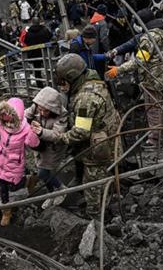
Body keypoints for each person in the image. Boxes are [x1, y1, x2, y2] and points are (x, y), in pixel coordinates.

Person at [55, 54, 120, 218]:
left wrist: (60, 138)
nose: (62, 86)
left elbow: (81, 132)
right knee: (104, 175)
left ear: (71, 77)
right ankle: (106, 200)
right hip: (109, 137)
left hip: (98, 147)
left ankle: (95, 216)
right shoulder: (93, 80)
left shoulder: (85, 98)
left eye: (63, 81)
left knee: (93, 182)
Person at [106, 9, 163, 148]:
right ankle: (162, 132)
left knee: (152, 109)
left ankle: (154, 140)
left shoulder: (149, 38)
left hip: (151, 79)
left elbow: (139, 61)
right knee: (160, 105)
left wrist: (118, 69)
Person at [0, 98, 39, 226]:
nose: (3, 117)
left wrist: (33, 133)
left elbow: (33, 143)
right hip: (1, 160)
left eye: (6, 114)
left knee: (15, 185)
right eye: (2, 114)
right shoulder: (1, 123)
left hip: (15, 163)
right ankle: (6, 212)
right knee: (3, 186)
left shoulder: (25, 128)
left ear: (16, 115)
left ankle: (28, 181)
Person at [25, 87, 68, 210]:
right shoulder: (37, 106)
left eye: (46, 111)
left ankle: (61, 189)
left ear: (53, 109)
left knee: (43, 172)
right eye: (40, 109)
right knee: (44, 171)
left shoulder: (62, 114)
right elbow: (24, 116)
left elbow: (57, 135)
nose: (42, 113)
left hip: (53, 148)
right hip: (38, 146)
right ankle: (51, 193)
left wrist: (41, 131)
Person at [24, 17, 53, 88]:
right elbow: (50, 36)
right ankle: (51, 83)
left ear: (32, 23)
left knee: (37, 71)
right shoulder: (44, 30)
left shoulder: (29, 33)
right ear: (39, 22)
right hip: (46, 52)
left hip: (34, 54)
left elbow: (26, 41)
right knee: (49, 67)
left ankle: (39, 85)